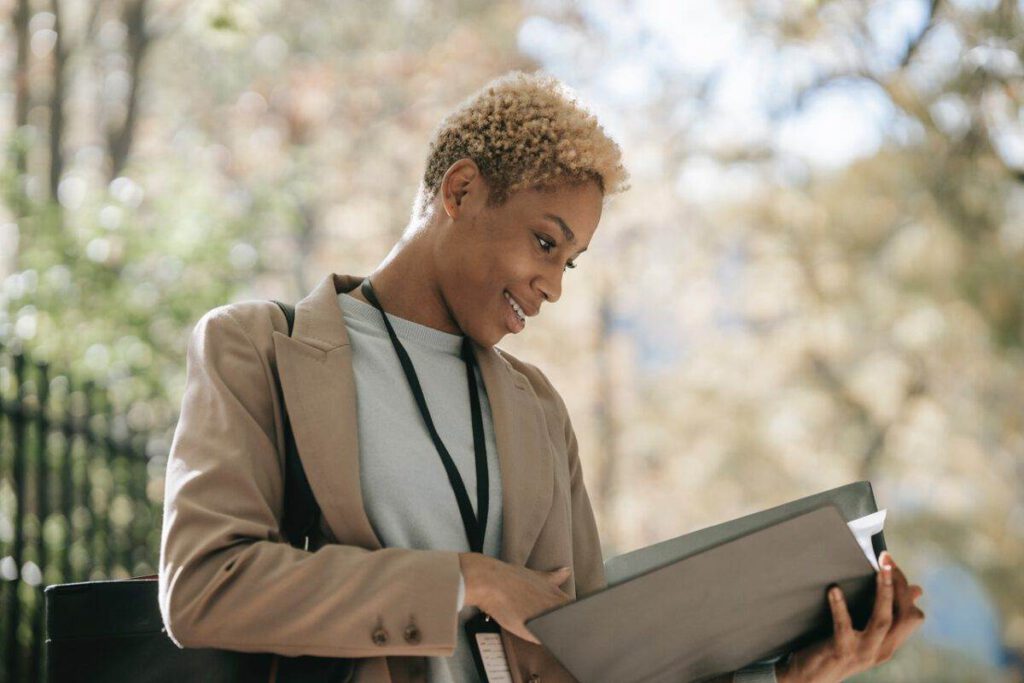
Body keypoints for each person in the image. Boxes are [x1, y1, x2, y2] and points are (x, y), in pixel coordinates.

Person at [158, 70, 925, 683]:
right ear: (459, 192)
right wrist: (471, 579)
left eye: (570, 261)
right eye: (544, 242)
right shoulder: (259, 348)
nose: (554, 284)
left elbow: (597, 656)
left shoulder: (538, 409)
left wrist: (790, 674)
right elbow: (204, 586)